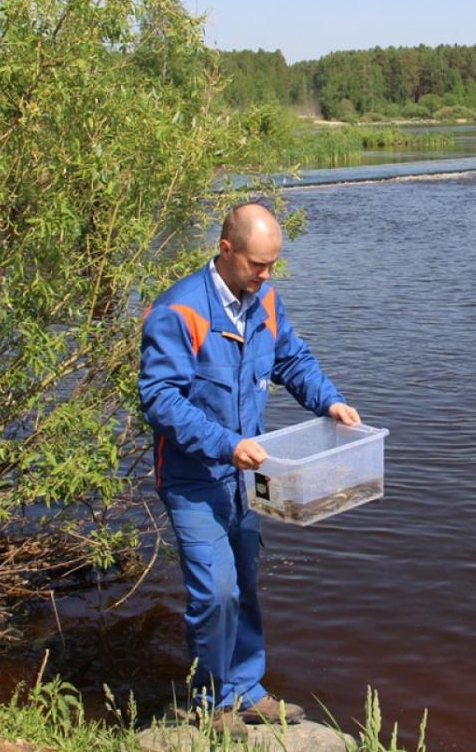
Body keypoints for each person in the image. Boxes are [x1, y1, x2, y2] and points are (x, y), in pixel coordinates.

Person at [139, 202, 360, 735]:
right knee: (214, 592)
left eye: (272, 265)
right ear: (225, 250)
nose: (265, 275)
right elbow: (161, 399)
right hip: (194, 478)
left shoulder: (264, 300)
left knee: (245, 583)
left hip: (246, 473)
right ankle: (209, 704)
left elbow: (292, 359)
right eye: (257, 264)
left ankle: (246, 689)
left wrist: (329, 403)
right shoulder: (179, 311)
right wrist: (226, 443)